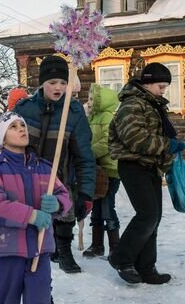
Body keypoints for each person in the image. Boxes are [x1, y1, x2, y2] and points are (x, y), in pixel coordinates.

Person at [13, 55, 95, 273]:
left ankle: (64, 251)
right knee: (31, 215)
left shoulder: (74, 112)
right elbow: (10, 143)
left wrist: (85, 193)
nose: (58, 87)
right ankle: (36, 251)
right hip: (29, 174)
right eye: (52, 83)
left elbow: (84, 156)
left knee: (64, 212)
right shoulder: (25, 109)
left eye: (63, 82)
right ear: (42, 83)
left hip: (61, 175)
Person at [0, 112, 72, 304]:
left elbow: (64, 195)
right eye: (13, 127)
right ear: (1, 138)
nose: (21, 128)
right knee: (7, 298)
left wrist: (57, 203)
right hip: (9, 249)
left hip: (40, 247)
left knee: (40, 298)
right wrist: (31, 216)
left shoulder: (45, 168)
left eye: (22, 124)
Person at [108, 63, 185, 284]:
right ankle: (121, 258)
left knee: (154, 218)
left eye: (165, 87)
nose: (163, 91)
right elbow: (134, 138)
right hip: (133, 165)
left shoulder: (152, 104)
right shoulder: (132, 105)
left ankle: (146, 267)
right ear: (148, 83)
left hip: (150, 166)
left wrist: (171, 148)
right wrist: (167, 145)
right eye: (161, 86)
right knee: (147, 215)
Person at [82, 83, 121, 258]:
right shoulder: (93, 117)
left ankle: (115, 246)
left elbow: (108, 141)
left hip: (110, 169)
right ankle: (97, 245)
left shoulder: (107, 117)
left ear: (101, 101)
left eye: (92, 99)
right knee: (96, 206)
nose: (88, 102)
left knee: (106, 208)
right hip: (97, 170)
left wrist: (88, 153)